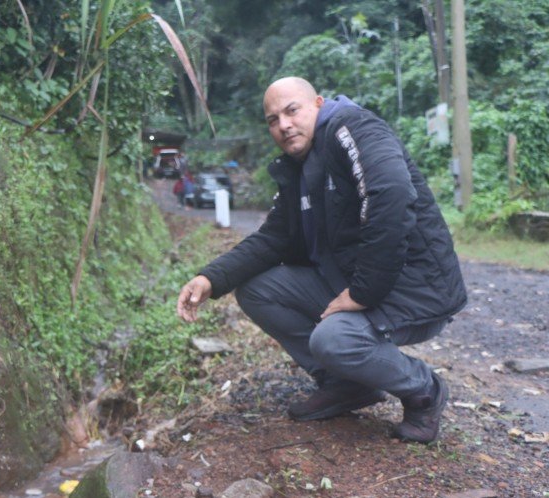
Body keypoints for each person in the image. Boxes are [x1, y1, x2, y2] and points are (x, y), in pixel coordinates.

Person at [176, 77, 467, 443]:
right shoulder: (298, 168)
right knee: (257, 289)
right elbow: (274, 238)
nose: (283, 125)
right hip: (356, 281)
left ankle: (424, 391)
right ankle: (346, 384)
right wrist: (211, 278)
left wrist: (362, 293)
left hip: (415, 288)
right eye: (272, 119)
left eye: (292, 110)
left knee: (333, 340)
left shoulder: (353, 127)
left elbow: (391, 196)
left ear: (318, 103)